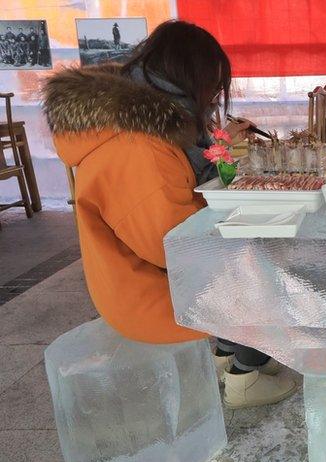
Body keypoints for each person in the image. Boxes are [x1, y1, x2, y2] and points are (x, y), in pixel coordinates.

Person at [42, 21, 297, 409]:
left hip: (140, 279)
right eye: (212, 85)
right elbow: (175, 247)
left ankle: (232, 356)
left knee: (254, 250)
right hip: (146, 295)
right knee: (267, 263)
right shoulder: (139, 148)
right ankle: (244, 379)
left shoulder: (144, 126)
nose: (213, 96)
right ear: (187, 78)